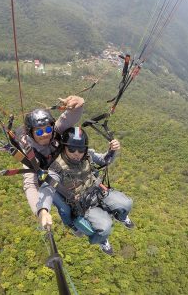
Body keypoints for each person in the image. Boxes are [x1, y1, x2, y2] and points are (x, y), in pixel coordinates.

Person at [37, 127, 134, 255]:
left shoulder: (88, 155)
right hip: (84, 205)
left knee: (127, 204)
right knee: (105, 228)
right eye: (71, 149)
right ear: (64, 147)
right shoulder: (56, 168)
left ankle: (120, 217)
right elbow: (47, 188)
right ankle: (101, 240)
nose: (77, 153)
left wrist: (112, 151)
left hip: (97, 192)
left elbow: (105, 160)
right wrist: (43, 210)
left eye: (81, 149)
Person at [21, 96, 84, 225]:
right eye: (39, 132)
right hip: (49, 182)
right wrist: (41, 211)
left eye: (48, 129)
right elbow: (30, 184)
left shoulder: (55, 133)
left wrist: (78, 105)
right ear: (31, 134)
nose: (45, 134)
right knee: (65, 209)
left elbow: (67, 119)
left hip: (64, 171)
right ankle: (73, 225)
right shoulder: (31, 154)